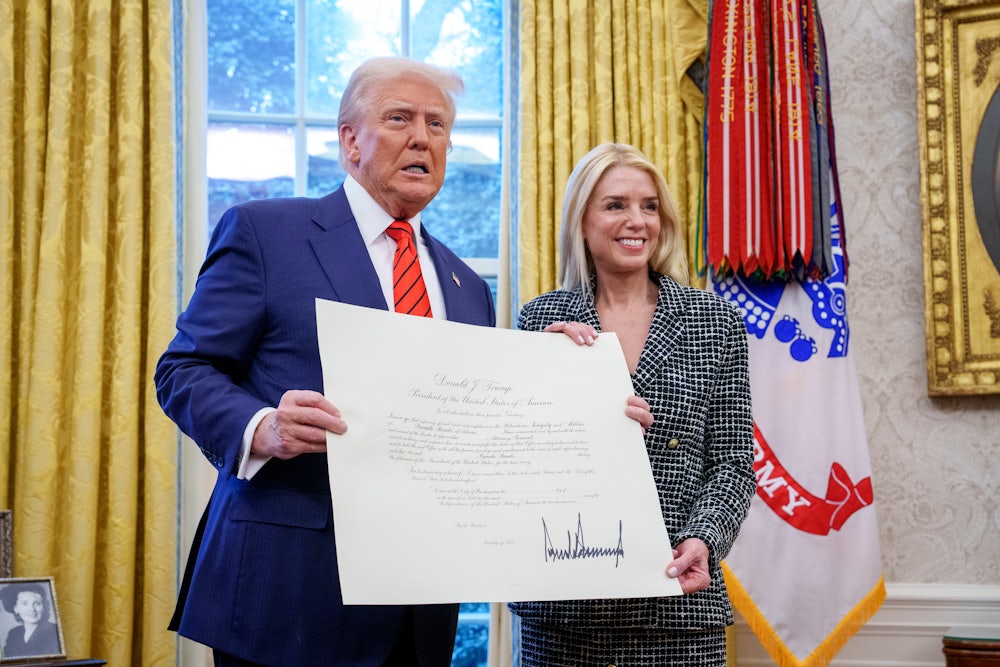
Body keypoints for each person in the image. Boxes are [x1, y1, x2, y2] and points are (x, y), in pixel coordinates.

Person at [155, 56, 496, 667]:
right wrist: (264, 427)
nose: (423, 137)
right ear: (350, 141)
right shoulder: (265, 233)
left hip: (419, 608)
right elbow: (183, 371)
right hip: (287, 595)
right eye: (399, 118)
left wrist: (558, 377)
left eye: (438, 125)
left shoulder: (468, 287)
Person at [508, 142, 756, 665]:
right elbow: (515, 465)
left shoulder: (715, 321)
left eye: (649, 206)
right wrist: (551, 383)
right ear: (582, 221)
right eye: (615, 205)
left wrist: (704, 539)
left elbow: (732, 464)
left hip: (677, 610)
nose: (637, 221)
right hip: (564, 614)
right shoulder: (539, 322)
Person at [0, 582, 60, 658]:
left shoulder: (54, 631)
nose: (32, 609)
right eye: (25, 603)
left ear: (44, 606)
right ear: (15, 608)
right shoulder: (14, 634)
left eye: (37, 603)